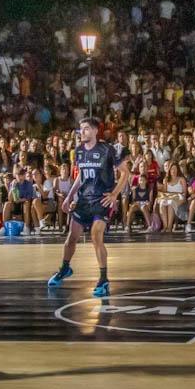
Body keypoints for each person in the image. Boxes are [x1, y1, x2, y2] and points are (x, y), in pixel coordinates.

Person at [47, 118, 130, 297]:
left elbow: (125, 172)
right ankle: (65, 268)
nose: (81, 132)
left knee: (95, 235)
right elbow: (80, 176)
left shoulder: (107, 149)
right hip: (84, 199)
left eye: (85, 129)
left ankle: (103, 279)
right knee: (71, 238)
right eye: (80, 129)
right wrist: (69, 196)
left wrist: (115, 194)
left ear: (94, 131)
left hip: (102, 200)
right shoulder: (78, 151)